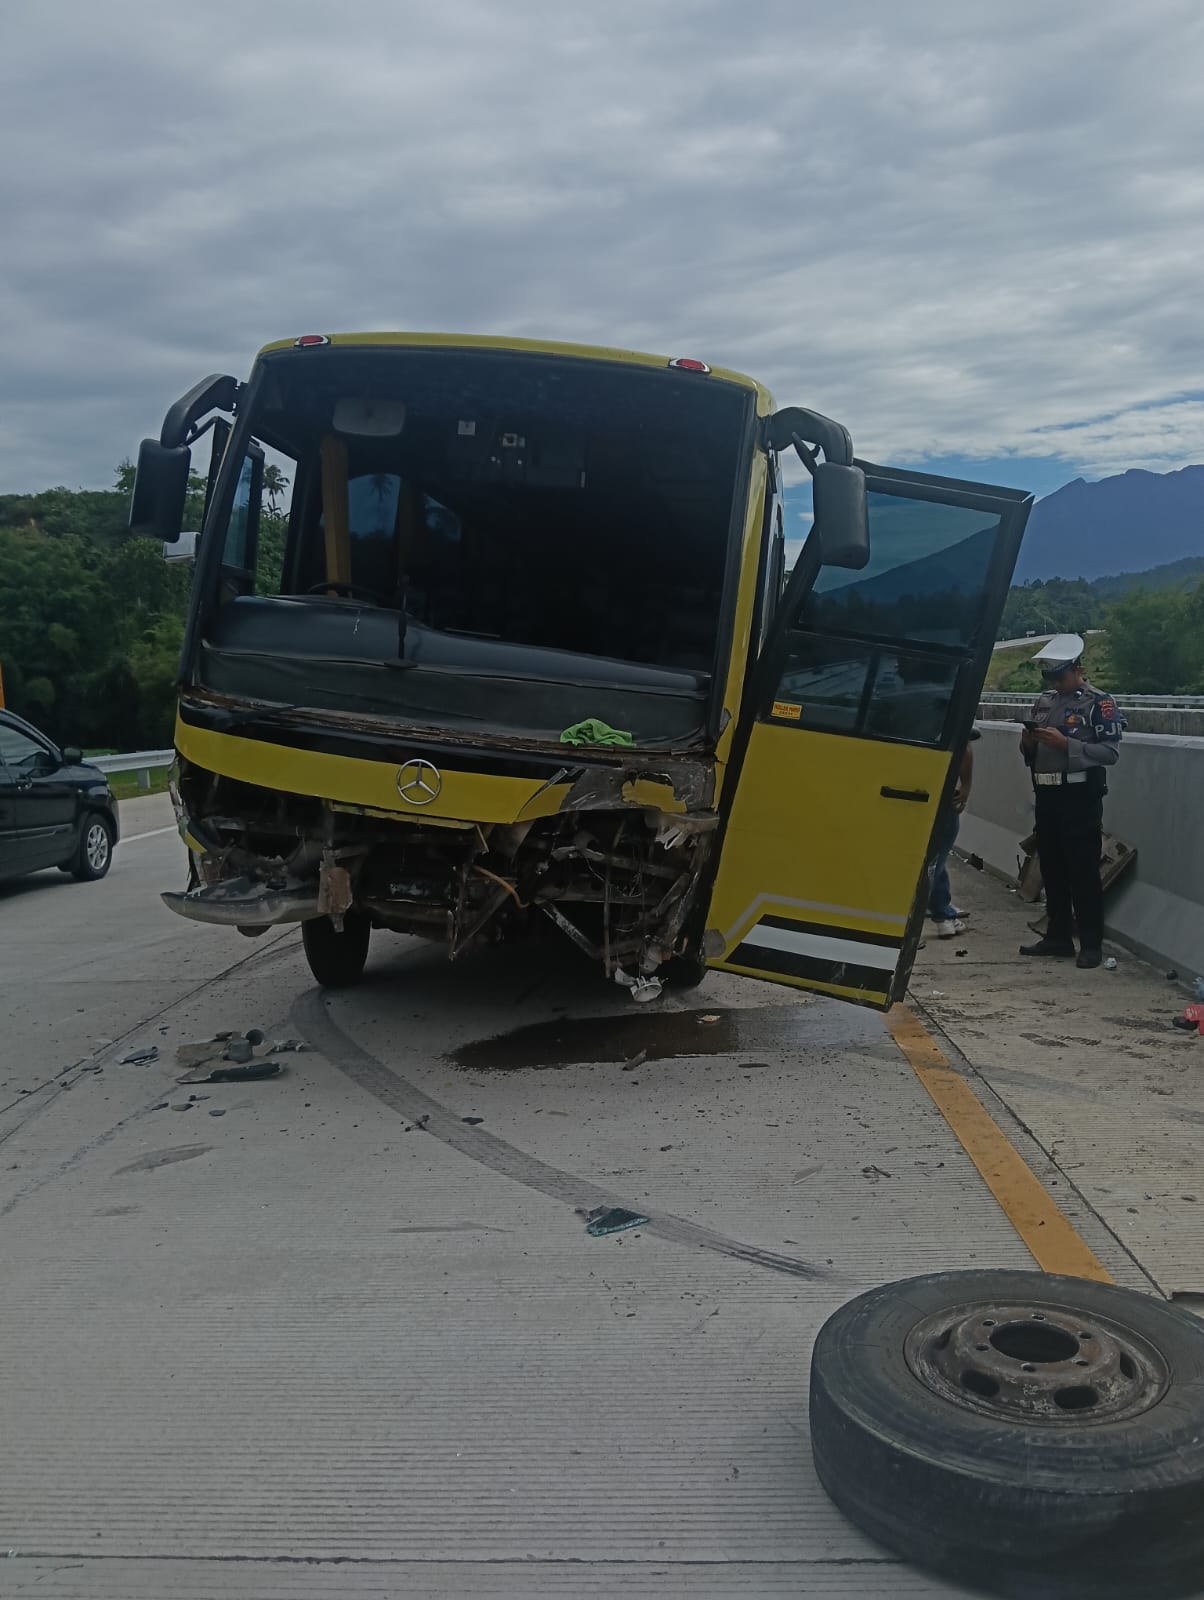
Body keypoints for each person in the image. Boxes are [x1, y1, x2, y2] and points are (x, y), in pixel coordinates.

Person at [1018, 634, 1123, 969]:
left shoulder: (1099, 703)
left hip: (1079, 798)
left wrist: (1067, 745)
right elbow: (1030, 755)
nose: (1056, 683)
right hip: (1047, 795)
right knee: (1052, 868)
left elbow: (1110, 753)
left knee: (1083, 872)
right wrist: (1028, 742)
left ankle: (1091, 945)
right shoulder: (1044, 702)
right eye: (1051, 677)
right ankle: (1057, 936)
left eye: (1060, 676)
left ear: (1077, 670)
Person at [928, 730, 979, 937]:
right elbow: (965, 744)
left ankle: (943, 913)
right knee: (934, 861)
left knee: (934, 861)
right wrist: (965, 786)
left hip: (908, 791)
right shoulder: (948, 709)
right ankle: (941, 914)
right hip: (942, 797)